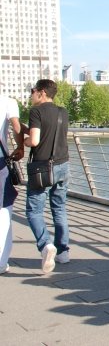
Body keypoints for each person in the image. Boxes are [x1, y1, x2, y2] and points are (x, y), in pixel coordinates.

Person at [23, 79, 70, 274]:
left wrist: (23, 139)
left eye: (33, 91)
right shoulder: (63, 112)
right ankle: (63, 251)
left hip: (42, 167)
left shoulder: (36, 112)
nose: (31, 94)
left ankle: (45, 245)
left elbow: (34, 140)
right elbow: (51, 134)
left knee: (34, 210)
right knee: (59, 208)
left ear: (41, 92)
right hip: (63, 164)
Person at [1, 93, 24, 274]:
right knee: (3, 208)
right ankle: (1, 261)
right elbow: (16, 126)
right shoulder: (7, 102)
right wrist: (20, 146)